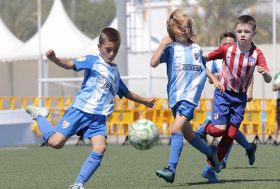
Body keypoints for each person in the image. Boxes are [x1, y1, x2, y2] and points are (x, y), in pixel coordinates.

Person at [25, 27, 156, 189]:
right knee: (55, 142)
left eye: (115, 51)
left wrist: (146, 102)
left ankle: (78, 184)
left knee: (100, 147)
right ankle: (39, 115)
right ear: (99, 47)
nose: (111, 54)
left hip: (98, 119)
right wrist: (55, 59)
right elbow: (70, 65)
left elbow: (126, 92)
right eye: (108, 50)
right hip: (80, 111)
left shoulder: (115, 72)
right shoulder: (92, 61)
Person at [150, 9, 222, 184]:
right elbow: (153, 63)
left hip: (189, 97)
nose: (184, 30)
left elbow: (202, 65)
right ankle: (210, 153)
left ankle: (171, 168)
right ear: (171, 29)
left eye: (187, 26)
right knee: (189, 135)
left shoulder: (196, 48)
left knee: (175, 130)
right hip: (175, 97)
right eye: (180, 26)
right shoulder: (170, 49)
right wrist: (162, 45)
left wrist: (212, 78)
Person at [198, 15, 272, 182]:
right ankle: (205, 127)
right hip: (224, 94)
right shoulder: (227, 49)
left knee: (230, 135)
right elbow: (202, 60)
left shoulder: (257, 54)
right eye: (239, 31)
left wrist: (266, 74)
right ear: (236, 33)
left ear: (254, 34)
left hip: (240, 99)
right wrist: (214, 79)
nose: (243, 34)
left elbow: (268, 78)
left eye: (247, 31)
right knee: (218, 130)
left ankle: (209, 170)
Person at [198, 31, 256, 175]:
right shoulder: (216, 61)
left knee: (231, 132)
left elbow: (249, 75)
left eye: (230, 43)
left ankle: (217, 162)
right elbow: (211, 79)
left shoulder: (240, 57)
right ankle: (248, 148)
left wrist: (250, 91)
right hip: (222, 97)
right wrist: (214, 78)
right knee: (221, 130)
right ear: (220, 46)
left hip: (238, 99)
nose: (227, 46)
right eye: (224, 44)